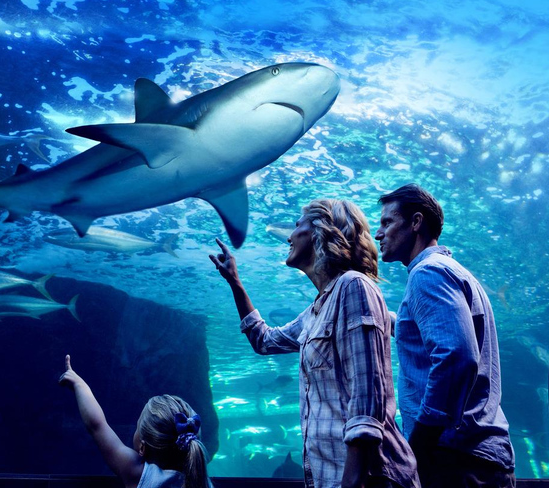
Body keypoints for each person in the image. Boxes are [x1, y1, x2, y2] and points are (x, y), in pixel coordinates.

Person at [210, 198, 419, 488]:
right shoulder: (317, 310)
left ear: (320, 232)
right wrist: (235, 282)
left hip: (368, 480)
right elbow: (264, 340)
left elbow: (368, 397)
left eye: (297, 226)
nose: (290, 236)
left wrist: (351, 482)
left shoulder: (353, 287)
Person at [375, 184, 516, 487]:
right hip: (476, 455)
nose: (378, 234)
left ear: (416, 222)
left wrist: (419, 445)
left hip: (455, 457)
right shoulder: (454, 272)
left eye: (387, 222)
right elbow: (438, 338)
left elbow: (457, 357)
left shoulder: (428, 273)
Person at [59, 354, 212, 488]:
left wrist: (79, 384)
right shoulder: (202, 480)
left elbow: (97, 425)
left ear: (142, 448)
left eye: (138, 426)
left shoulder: (139, 474)